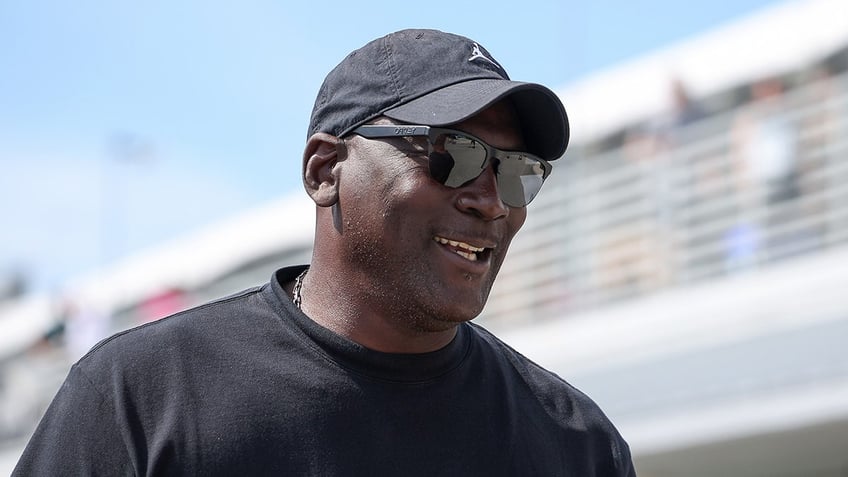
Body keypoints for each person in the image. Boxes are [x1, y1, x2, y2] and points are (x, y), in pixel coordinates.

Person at [14, 29, 636, 476]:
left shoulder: (575, 443)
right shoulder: (144, 394)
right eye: (455, 154)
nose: (492, 201)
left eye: (516, 172)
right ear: (324, 171)